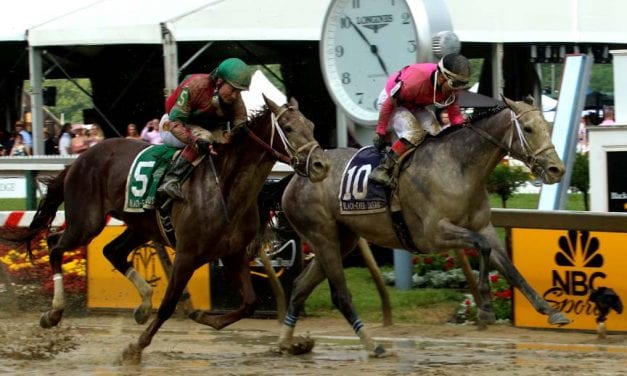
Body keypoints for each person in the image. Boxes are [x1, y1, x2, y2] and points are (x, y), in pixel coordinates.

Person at [157, 57, 252, 201]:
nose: (235, 96)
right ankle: (171, 180)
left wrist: (236, 132)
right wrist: (195, 141)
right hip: (171, 125)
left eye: (239, 92)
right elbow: (175, 123)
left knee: (226, 139)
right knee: (206, 137)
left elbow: (241, 121)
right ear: (219, 81)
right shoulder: (195, 86)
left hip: (201, 127)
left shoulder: (234, 97)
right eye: (233, 90)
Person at [369, 53, 471, 187]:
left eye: (461, 85)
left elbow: (454, 115)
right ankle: (382, 169)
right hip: (391, 102)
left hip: (415, 104)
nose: (457, 89)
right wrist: (380, 130)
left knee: (437, 134)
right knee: (415, 134)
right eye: (454, 84)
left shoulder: (452, 88)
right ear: (441, 77)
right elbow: (389, 104)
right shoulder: (415, 81)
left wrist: (463, 128)